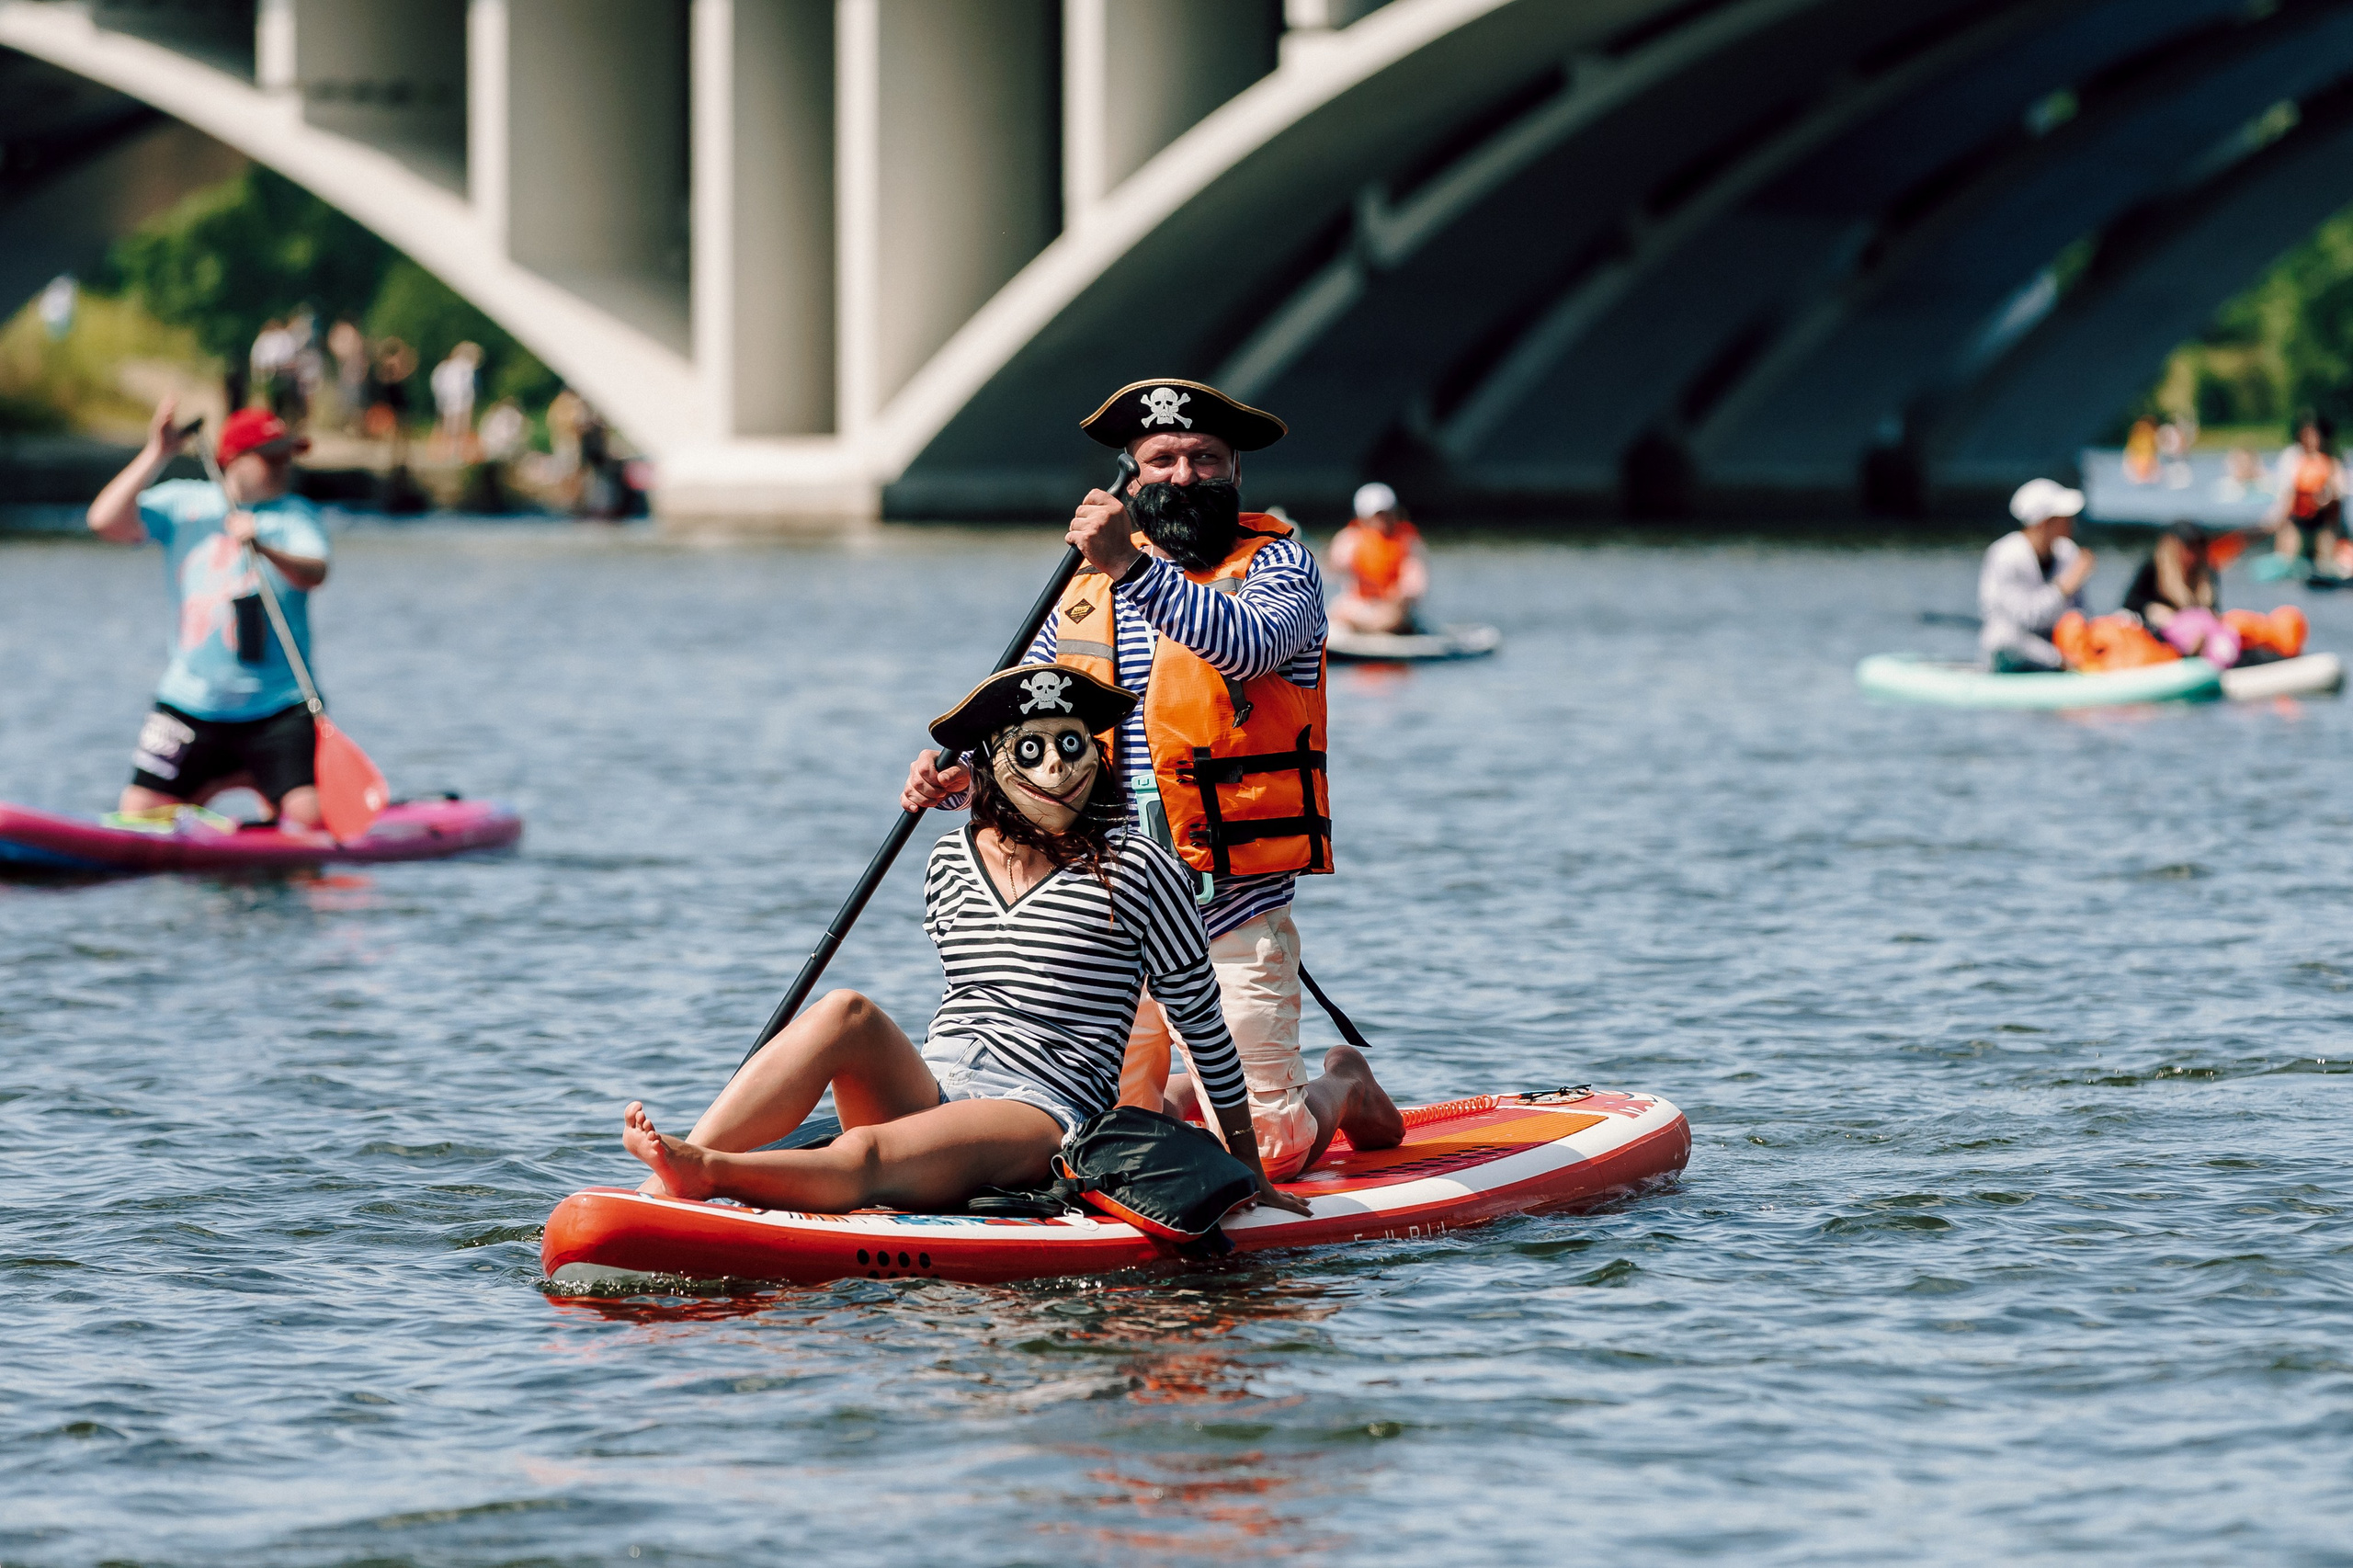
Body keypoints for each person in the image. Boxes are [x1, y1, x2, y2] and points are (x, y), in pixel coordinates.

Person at [903, 379, 1404, 1184]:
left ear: (1235, 472)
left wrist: (1130, 566)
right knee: (1103, 1133)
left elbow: (1245, 647)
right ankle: (1181, 1095)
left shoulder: (1278, 565)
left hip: (1229, 910)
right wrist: (958, 774)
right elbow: (1026, 728)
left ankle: (1341, 1083)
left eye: (1206, 459)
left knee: (1271, 1155)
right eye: (1161, 459)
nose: (1184, 475)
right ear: (1130, 479)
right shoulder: (1086, 589)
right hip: (1110, 914)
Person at [623, 665, 1309, 1218]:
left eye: (1071, 747)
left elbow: (1205, 1028)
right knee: (845, 1010)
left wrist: (1249, 1173)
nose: (1053, 770)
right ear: (992, 763)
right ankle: (676, 1175)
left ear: (1095, 759)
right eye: (1029, 751)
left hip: (1040, 1112)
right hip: (937, 1085)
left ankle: (712, 1174)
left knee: (868, 1152)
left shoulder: (1139, 867)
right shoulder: (950, 860)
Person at [85, 402, 332, 829]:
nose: (282, 466)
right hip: (190, 707)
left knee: (308, 822)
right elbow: (104, 521)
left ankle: (273, 810)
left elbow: (315, 573)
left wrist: (264, 547)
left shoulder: (295, 516)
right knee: (138, 814)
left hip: (279, 709)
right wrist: (157, 453)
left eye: (286, 456)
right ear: (233, 460)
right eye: (270, 457)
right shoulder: (185, 503)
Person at [1980, 477, 2096, 672]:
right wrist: (2063, 588)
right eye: (2063, 517)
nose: (2071, 522)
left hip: (2059, 646)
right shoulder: (2006, 555)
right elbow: (2027, 618)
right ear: (2043, 523)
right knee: (2002, 637)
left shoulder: (2068, 553)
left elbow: (2079, 612)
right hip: (2016, 649)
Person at [1328, 482, 1429, 634]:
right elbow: (1334, 567)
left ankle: (1375, 629)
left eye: (1386, 514)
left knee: (1391, 618)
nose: (1382, 520)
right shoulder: (1350, 540)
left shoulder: (1407, 543)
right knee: (1338, 610)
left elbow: (1414, 583)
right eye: (1377, 515)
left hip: (1392, 608)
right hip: (1360, 604)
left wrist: (1400, 594)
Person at [2266, 413, 2347, 575]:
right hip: (2297, 520)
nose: (2312, 440)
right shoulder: (2292, 457)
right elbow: (2287, 495)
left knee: (2326, 554)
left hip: (2325, 521)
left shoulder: (2334, 459)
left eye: (2316, 435)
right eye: (2307, 435)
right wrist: (2273, 520)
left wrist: (2325, 499)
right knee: (2287, 551)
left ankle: (2325, 562)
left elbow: (2338, 492)